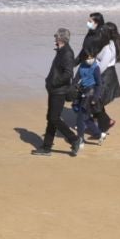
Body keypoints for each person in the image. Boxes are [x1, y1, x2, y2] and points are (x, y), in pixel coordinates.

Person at [32, 28, 80, 157]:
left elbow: (69, 74)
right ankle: (46, 147)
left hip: (59, 91)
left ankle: (74, 139)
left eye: (56, 37)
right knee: (51, 118)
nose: (54, 40)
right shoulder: (61, 51)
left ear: (60, 39)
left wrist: (54, 82)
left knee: (54, 118)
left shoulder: (67, 53)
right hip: (54, 90)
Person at [94, 21, 120, 142]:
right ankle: (104, 123)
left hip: (106, 75)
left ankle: (106, 122)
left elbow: (103, 65)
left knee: (96, 101)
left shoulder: (109, 48)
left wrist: (92, 74)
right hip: (106, 74)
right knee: (96, 101)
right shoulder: (106, 44)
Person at [72, 51, 103, 145]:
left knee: (81, 117)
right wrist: (73, 86)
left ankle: (80, 139)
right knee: (84, 117)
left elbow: (99, 84)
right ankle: (99, 134)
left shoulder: (96, 68)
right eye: (87, 58)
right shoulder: (82, 66)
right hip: (82, 91)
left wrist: (95, 98)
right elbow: (76, 79)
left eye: (91, 58)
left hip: (91, 93)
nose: (89, 60)